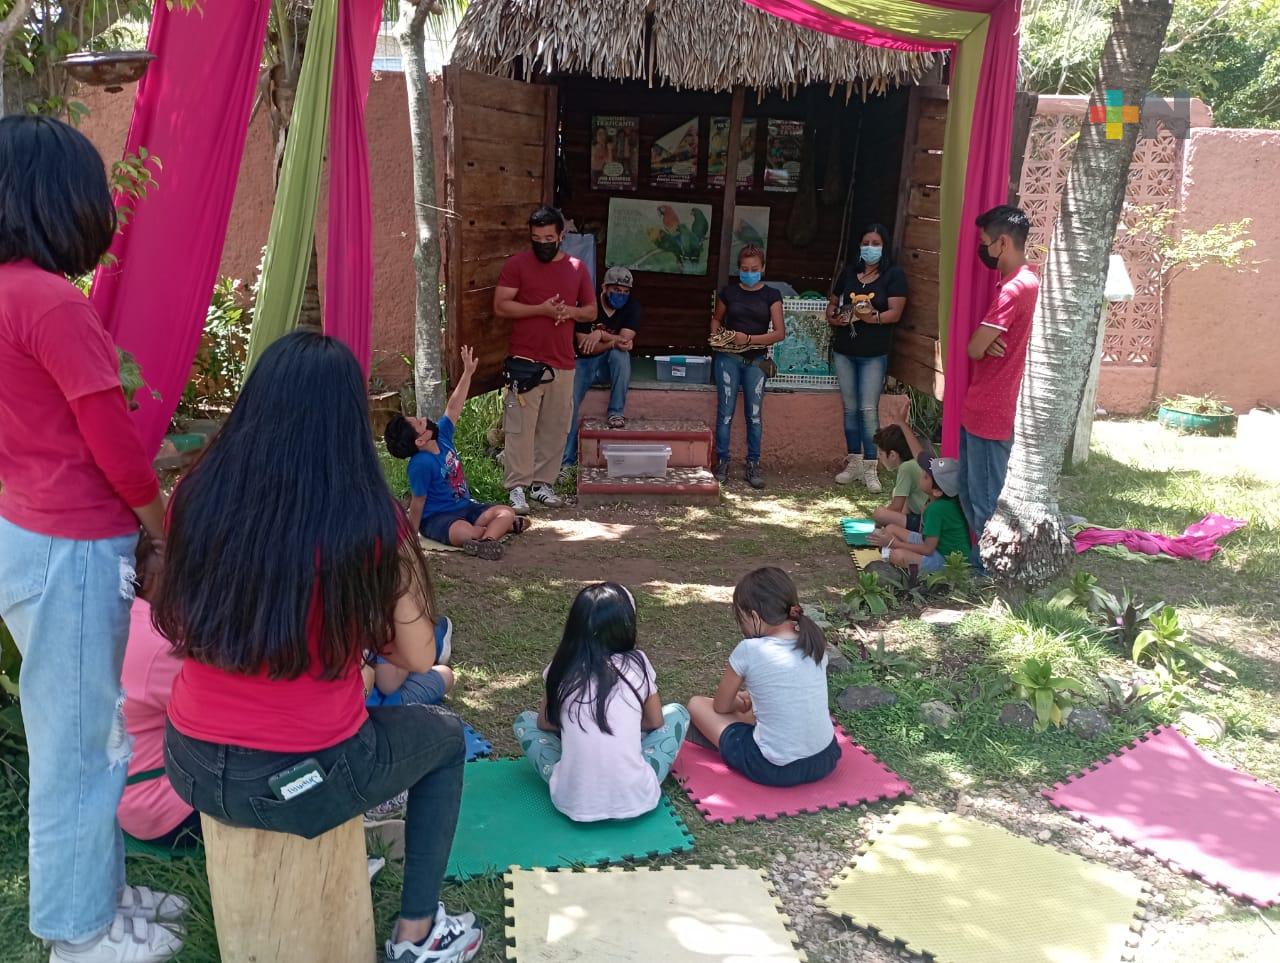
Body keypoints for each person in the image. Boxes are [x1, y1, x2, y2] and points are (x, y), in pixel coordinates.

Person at [154, 331, 483, 963]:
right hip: (300, 779)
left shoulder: (195, 496)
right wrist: (398, 550)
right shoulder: (366, 522)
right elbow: (417, 656)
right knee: (443, 740)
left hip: (190, 763)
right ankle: (419, 932)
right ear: (347, 427)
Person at [0, 115, 185, 963]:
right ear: (53, 200)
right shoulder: (47, 301)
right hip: (73, 548)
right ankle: (80, 936)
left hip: (28, 531)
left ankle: (101, 899)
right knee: (80, 751)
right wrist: (163, 529)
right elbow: (114, 442)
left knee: (90, 733)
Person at [512, 583, 689, 822]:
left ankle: (573, 769)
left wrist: (577, 725)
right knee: (677, 713)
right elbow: (655, 721)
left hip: (570, 798)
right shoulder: (638, 662)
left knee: (525, 721)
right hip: (636, 796)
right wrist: (619, 725)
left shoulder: (561, 665)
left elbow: (544, 722)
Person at [687, 568, 840, 787]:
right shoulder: (813, 641)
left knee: (696, 704)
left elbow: (720, 707)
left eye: (742, 619)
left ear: (755, 617)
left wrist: (738, 701)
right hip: (825, 757)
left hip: (774, 768)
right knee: (755, 710)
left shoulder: (749, 649)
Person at [494, 206, 596, 515]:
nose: (542, 243)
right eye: (536, 238)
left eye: (549, 237)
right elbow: (501, 306)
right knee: (520, 430)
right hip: (525, 360)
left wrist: (569, 313)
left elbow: (590, 312)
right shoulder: (517, 265)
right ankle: (517, 489)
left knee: (555, 427)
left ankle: (542, 485)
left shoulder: (577, 268)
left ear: (562, 236)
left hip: (562, 361)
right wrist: (541, 309)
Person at [384, 345, 526, 561]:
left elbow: (453, 408)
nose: (424, 419)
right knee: (462, 531)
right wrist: (411, 537)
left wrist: (468, 372)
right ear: (421, 440)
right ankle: (488, 535)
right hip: (439, 519)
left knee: (505, 511)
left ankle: (487, 541)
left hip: (466, 507)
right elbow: (418, 502)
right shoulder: (420, 464)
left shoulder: (441, 436)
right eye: (420, 422)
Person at [960, 205, 1039, 544]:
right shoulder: (1031, 282)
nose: (984, 249)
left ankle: (988, 569)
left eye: (985, 242)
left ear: (1002, 243)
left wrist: (981, 340)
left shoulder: (1013, 289)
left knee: (985, 496)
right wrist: (983, 340)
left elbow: (976, 347)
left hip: (992, 410)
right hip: (993, 405)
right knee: (975, 490)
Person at [826, 224, 909, 492]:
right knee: (850, 410)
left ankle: (871, 467)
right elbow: (833, 301)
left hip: (874, 353)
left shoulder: (893, 275)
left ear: (884, 246)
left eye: (875, 243)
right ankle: (853, 463)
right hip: (845, 351)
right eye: (866, 242)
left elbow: (895, 313)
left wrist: (871, 318)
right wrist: (833, 316)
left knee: (868, 410)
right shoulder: (849, 272)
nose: (869, 247)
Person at [118, 601, 201, 851]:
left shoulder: (100, 616)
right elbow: (224, 713)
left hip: (121, 800)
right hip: (168, 812)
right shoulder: (156, 639)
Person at [710, 245, 786, 490]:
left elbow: (779, 333)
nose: (750, 273)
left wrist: (750, 340)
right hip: (728, 358)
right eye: (745, 269)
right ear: (739, 269)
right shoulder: (729, 293)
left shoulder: (772, 295)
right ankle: (722, 461)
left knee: (753, 414)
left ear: (762, 268)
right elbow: (716, 319)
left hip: (756, 360)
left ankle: (753, 464)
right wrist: (716, 338)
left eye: (754, 269)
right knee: (726, 412)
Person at [561, 266, 640, 471]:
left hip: (609, 364)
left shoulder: (632, 307)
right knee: (570, 404)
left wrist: (600, 335)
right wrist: (609, 342)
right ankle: (565, 462)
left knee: (621, 356)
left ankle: (616, 412)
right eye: (616, 290)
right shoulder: (588, 306)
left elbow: (625, 342)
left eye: (625, 291)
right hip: (583, 363)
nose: (621, 295)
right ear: (605, 288)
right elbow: (583, 347)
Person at [868, 454, 971, 575]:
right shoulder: (939, 502)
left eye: (926, 477)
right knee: (890, 529)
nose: (921, 477)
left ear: (937, 491)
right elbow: (924, 537)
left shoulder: (937, 509)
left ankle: (894, 560)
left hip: (947, 562)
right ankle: (891, 554)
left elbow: (927, 549)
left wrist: (894, 543)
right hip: (937, 547)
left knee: (897, 554)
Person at [870, 425, 929, 534]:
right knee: (896, 492)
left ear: (892, 455)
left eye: (881, 453)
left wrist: (879, 522)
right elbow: (903, 506)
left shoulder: (906, 468)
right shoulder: (912, 463)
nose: (879, 457)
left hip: (924, 523)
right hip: (921, 518)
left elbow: (896, 507)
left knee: (880, 514)